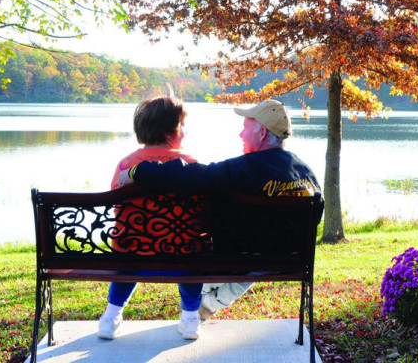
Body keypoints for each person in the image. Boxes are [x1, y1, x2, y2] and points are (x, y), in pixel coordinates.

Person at [117, 99, 321, 320]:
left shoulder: (244, 168)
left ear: (262, 133)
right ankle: (208, 305)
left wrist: (137, 172)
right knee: (251, 262)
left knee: (215, 264)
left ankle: (203, 303)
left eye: (244, 128)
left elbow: (192, 175)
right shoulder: (305, 171)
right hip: (292, 260)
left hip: (241, 258)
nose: (241, 135)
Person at [98, 96, 204, 341]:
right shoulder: (189, 164)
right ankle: (190, 319)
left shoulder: (126, 164)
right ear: (172, 132)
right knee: (194, 249)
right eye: (183, 125)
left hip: (132, 255)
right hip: (182, 256)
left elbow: (117, 203)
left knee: (130, 243)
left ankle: (111, 316)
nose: (185, 130)